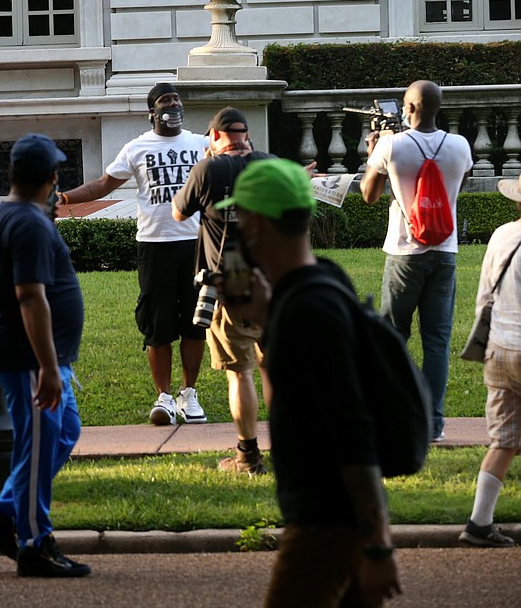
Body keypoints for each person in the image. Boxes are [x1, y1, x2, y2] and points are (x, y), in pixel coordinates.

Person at [214, 159, 402, 607]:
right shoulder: (321, 279)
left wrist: (378, 545)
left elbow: (352, 432)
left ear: (257, 223)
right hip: (340, 517)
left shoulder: (308, 312)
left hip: (326, 522)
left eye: (241, 215)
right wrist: (262, 312)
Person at [0, 133, 90, 578]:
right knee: (38, 446)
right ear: (52, 177)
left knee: (64, 430)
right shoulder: (30, 224)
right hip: (28, 357)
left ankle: (3, 509)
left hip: (33, 354)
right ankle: (35, 543)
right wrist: (46, 366)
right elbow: (28, 297)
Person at [59, 82, 208, 426]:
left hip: (196, 244)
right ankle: (165, 397)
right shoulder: (137, 148)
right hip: (154, 245)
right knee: (157, 324)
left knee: (194, 322)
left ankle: (189, 394)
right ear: (152, 112)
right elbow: (102, 185)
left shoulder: (201, 144)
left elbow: (240, 162)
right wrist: (64, 199)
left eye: (176, 100)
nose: (173, 106)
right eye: (165, 102)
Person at [360, 79, 473, 441]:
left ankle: (395, 417)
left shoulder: (391, 146)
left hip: (404, 253)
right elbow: (460, 184)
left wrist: (372, 154)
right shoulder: (459, 145)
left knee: (394, 337)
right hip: (445, 252)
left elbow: (369, 196)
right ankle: (434, 423)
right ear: (438, 108)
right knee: (437, 342)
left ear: (408, 108)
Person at [172, 107, 272, 474]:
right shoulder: (268, 164)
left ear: (214, 137)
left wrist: (206, 167)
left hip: (231, 284)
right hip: (273, 282)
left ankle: (247, 456)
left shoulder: (208, 169)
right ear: (245, 135)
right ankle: (287, 451)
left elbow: (179, 213)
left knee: (240, 372)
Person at [458, 174, 521, 548]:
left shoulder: (501, 236)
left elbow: (485, 297)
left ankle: (479, 522)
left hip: (498, 349)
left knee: (503, 441)